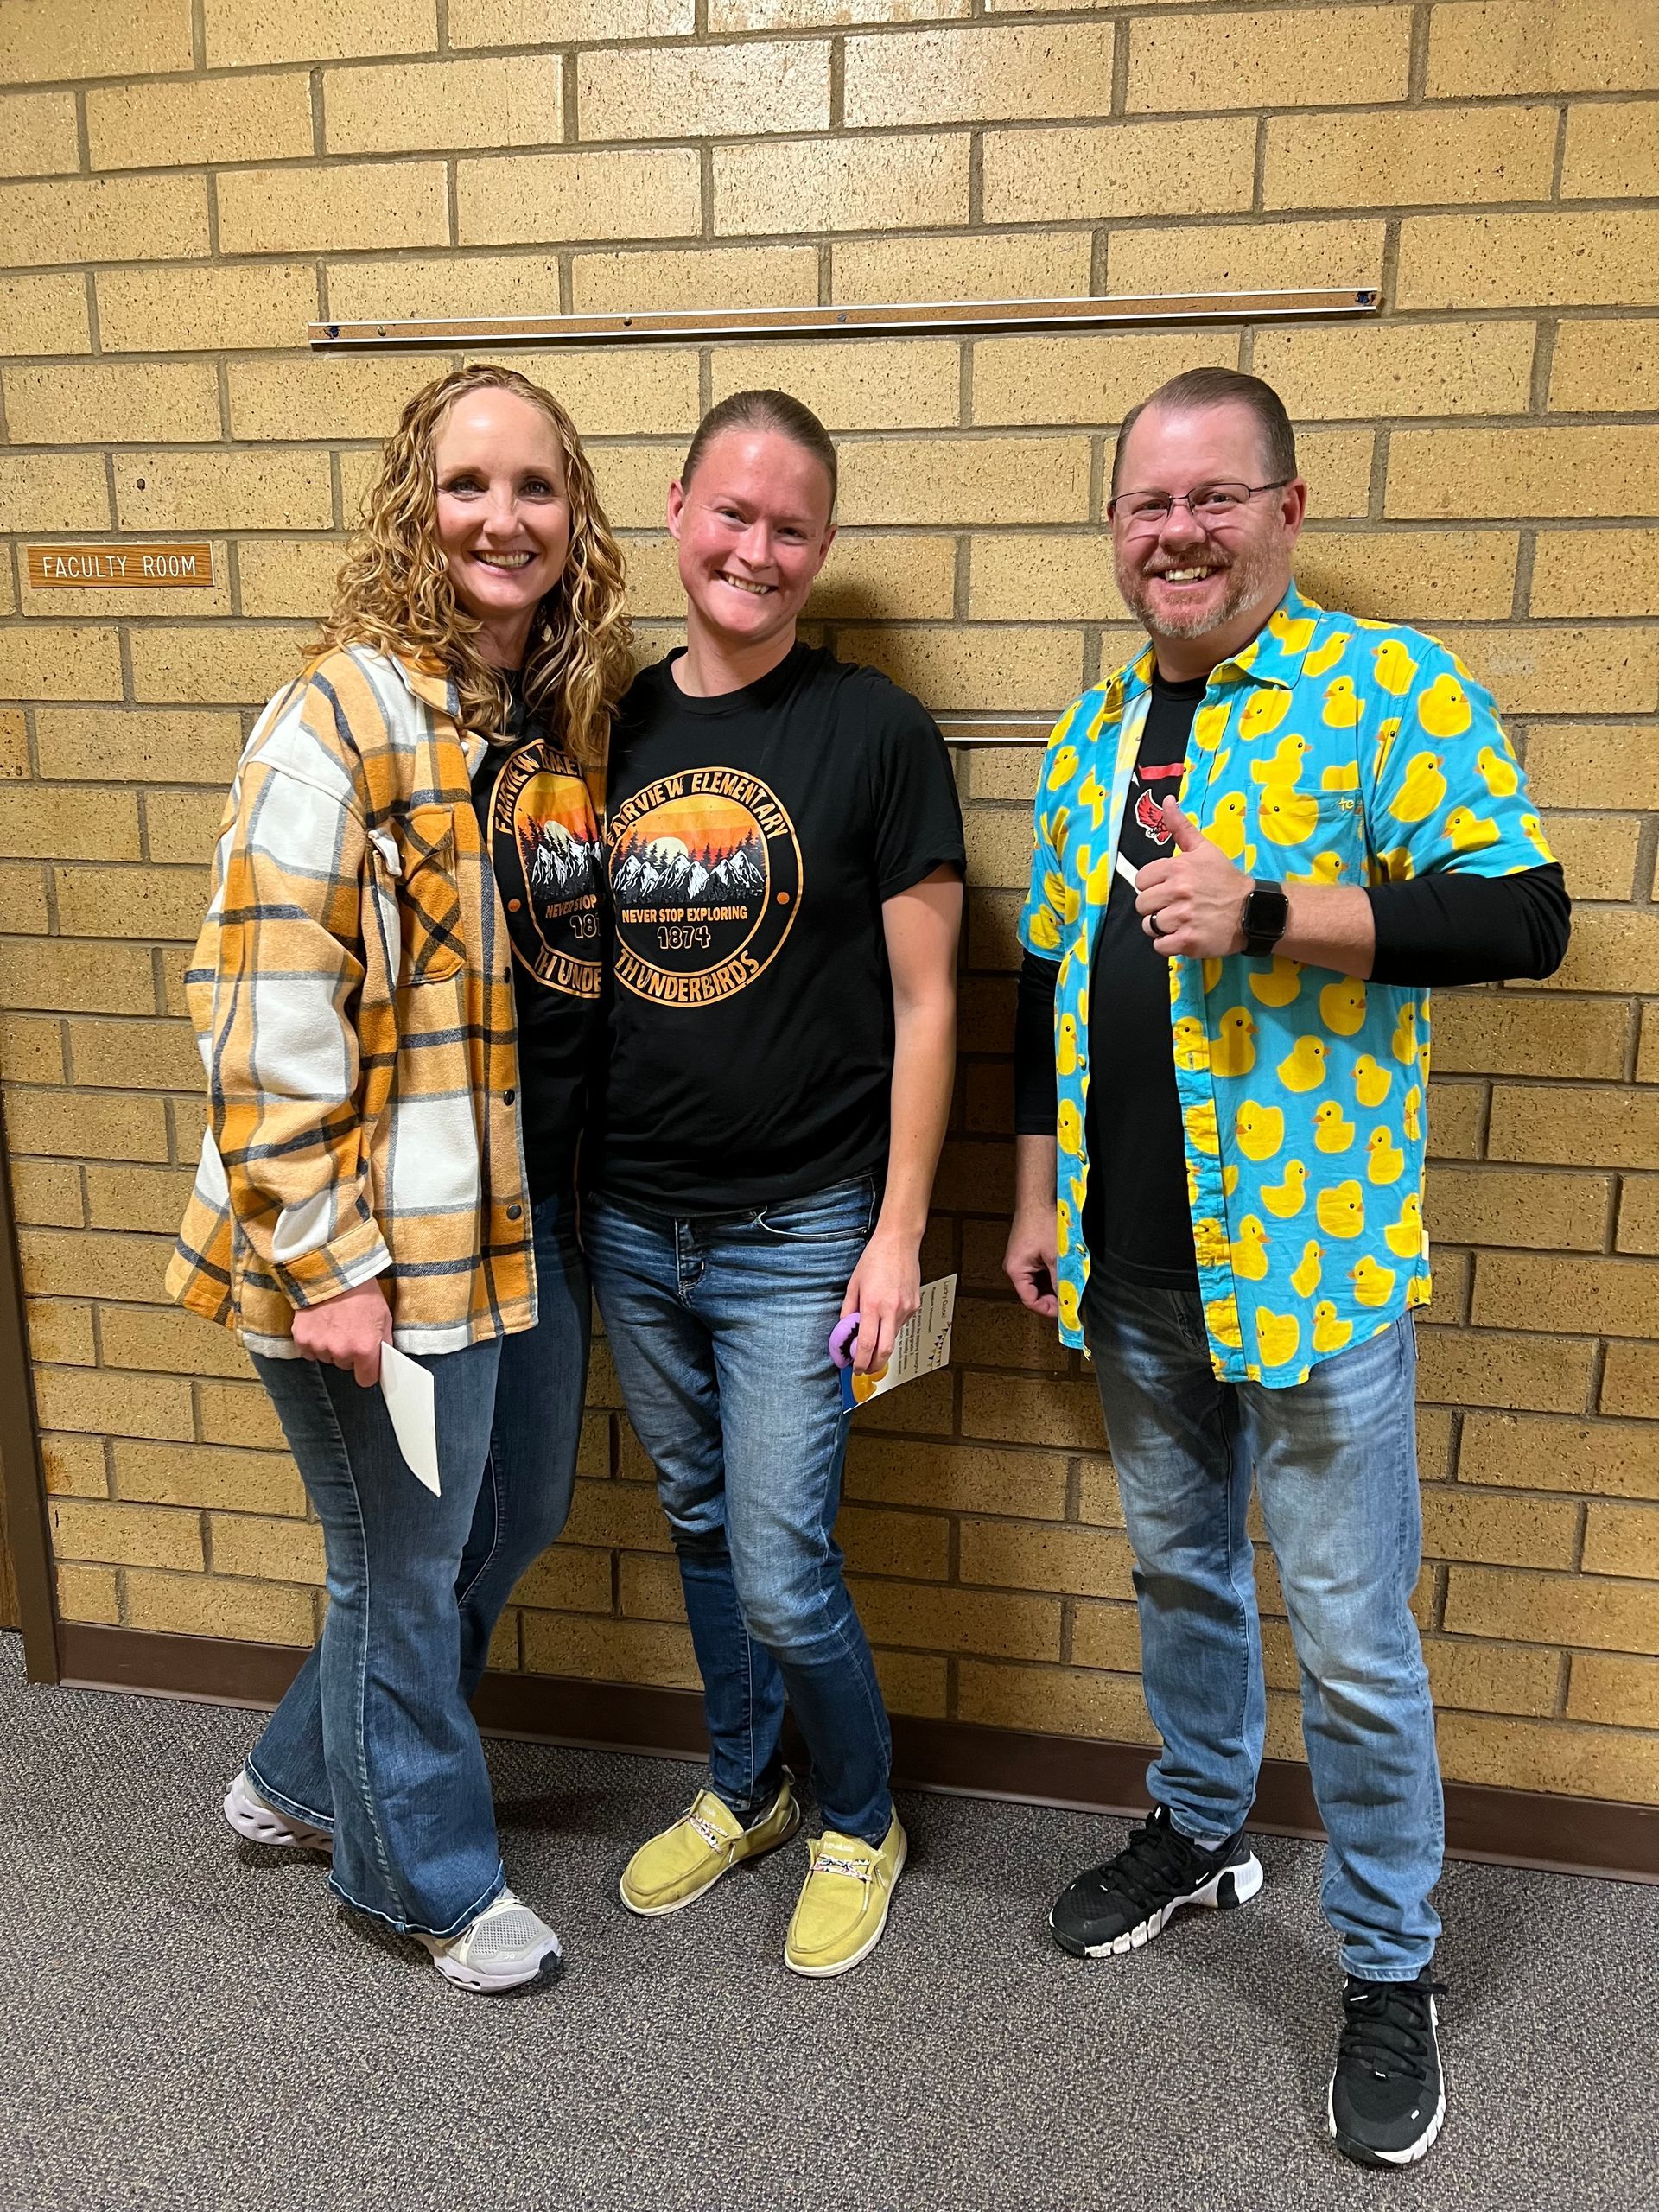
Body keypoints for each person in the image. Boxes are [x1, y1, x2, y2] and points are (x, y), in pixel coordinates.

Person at [1002, 367, 1568, 2165]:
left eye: (1214, 497)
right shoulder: (1092, 736)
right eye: (1147, 503)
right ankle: (1200, 1824)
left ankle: (1391, 1964)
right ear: (1115, 529)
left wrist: (1271, 912)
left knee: (1352, 1640)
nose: (1178, 530)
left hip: (1313, 1276)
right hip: (1133, 1269)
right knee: (1179, 1573)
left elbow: (1523, 913)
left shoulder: (1386, 693)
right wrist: (1034, 1195)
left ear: (1287, 507)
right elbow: (1044, 986)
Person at [167, 363, 632, 1993]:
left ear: (575, 520)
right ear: (409, 509)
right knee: (403, 1561)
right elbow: (258, 1000)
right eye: (467, 485)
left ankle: (297, 1777)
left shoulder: (548, 728)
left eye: (536, 489)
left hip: (514, 1225)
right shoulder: (340, 715)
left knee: (514, 1520)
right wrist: (328, 1261)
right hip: (367, 1249)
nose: (502, 519)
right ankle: (419, 1878)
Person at [582, 390, 964, 1978]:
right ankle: (746, 1786)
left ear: (823, 547)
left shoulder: (871, 731)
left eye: (790, 526)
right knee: (694, 1519)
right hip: (625, 1215)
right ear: (675, 511)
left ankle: (859, 1816)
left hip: (800, 1225)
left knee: (786, 1561)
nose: (755, 548)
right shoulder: (601, 727)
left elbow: (937, 1003)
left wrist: (896, 1237)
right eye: (730, 514)